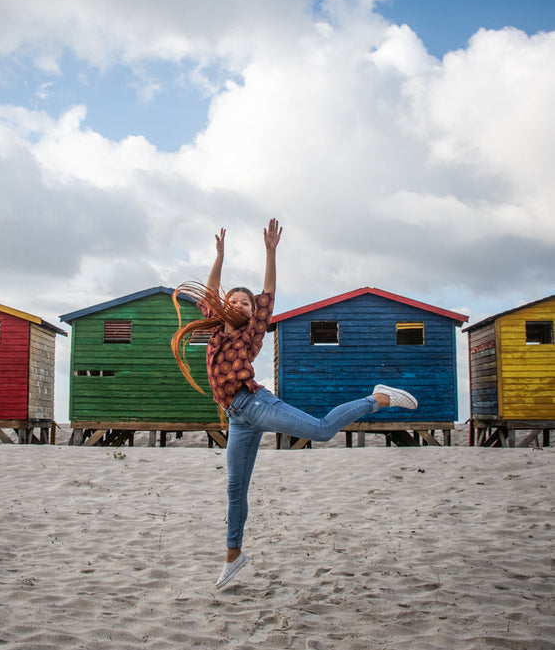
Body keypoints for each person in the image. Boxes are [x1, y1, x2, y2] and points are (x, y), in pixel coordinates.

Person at [171, 219, 418, 589]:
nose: (239, 304)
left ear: (253, 313)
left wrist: (270, 252)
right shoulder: (215, 325)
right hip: (237, 418)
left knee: (321, 430)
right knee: (235, 487)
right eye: (234, 300)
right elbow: (210, 289)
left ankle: (377, 397)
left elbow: (268, 290)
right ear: (225, 306)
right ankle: (234, 556)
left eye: (246, 302)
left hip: (254, 403)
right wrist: (219, 256)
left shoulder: (251, 333)